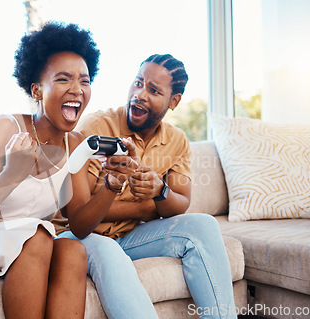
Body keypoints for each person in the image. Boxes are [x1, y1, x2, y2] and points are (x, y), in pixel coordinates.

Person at [0, 22, 136, 319]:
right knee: (37, 234)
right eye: (63, 79)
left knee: (72, 251)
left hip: (25, 246)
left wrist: (112, 184)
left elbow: (81, 224)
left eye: (84, 81)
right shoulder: (4, 128)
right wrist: (12, 174)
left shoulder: (76, 144)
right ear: (37, 89)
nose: (77, 89)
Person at [52, 54, 237, 318]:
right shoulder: (96, 128)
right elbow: (79, 217)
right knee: (108, 250)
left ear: (174, 101)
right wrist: (144, 208)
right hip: (79, 237)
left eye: (153, 90)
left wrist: (160, 190)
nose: (140, 94)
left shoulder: (177, 141)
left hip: (128, 238)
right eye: (138, 83)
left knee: (204, 225)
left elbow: (181, 203)